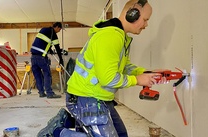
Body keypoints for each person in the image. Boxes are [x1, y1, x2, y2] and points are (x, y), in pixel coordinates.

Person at [37, 0, 169, 136]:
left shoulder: (120, 36)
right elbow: (108, 79)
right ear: (132, 14)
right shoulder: (110, 36)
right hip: (86, 97)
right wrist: (137, 80)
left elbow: (124, 66)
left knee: (121, 135)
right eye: (145, 20)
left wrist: (145, 73)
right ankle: (57, 132)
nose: (146, 25)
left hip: (98, 97)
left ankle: (69, 120)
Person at [30, 22, 64, 98]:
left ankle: (41, 92)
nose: (59, 31)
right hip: (41, 57)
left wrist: (49, 49)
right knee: (47, 74)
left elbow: (43, 42)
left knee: (38, 75)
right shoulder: (53, 34)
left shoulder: (43, 29)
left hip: (33, 57)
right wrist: (61, 59)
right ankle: (49, 93)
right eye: (60, 29)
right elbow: (57, 48)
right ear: (57, 27)